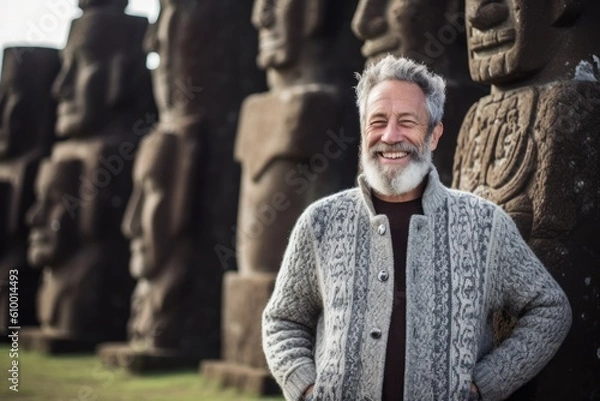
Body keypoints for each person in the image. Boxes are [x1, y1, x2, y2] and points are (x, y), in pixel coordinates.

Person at [261, 55, 572, 401]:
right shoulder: (320, 222)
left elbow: (549, 309)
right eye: (377, 121)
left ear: (434, 134)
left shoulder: (485, 225)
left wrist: (487, 383)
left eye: (407, 122)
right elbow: (282, 320)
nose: (390, 136)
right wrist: (305, 387)